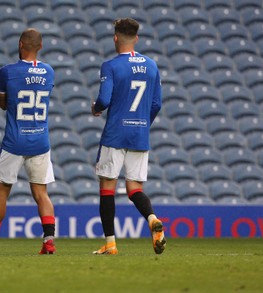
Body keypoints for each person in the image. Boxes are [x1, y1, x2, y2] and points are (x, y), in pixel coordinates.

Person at [0, 28, 56, 255]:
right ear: (40, 46)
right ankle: (49, 241)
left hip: (14, 141)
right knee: (41, 193)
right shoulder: (49, 72)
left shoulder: (7, 72)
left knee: (1, 192)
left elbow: (3, 103)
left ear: (20, 44)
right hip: (40, 140)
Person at [91, 18, 166, 255]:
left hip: (115, 133)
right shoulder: (152, 65)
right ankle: (152, 218)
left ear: (115, 38)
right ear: (136, 38)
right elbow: (156, 103)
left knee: (107, 188)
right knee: (134, 188)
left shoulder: (110, 66)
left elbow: (104, 99)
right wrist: (143, 124)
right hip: (139, 134)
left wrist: (96, 107)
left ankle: (111, 243)